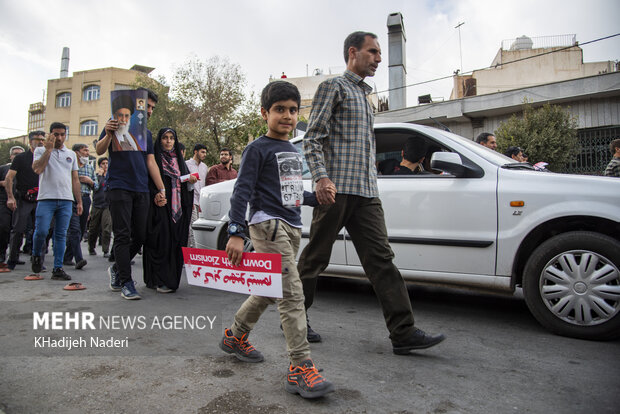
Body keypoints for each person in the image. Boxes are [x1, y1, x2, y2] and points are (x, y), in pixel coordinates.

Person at [297, 31, 446, 353]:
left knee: (382, 261)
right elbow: (312, 138)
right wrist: (321, 179)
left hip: (366, 193)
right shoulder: (333, 87)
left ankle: (403, 333)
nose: (379, 58)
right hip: (336, 190)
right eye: (373, 52)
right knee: (314, 260)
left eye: (379, 53)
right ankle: (295, 321)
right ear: (353, 52)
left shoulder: (366, 98)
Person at [219, 81, 334, 399]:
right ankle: (300, 366)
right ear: (264, 113)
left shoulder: (292, 151)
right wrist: (236, 232)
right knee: (292, 294)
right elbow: (241, 191)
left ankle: (235, 336)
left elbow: (292, 193)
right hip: (267, 226)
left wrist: (317, 198)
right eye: (280, 109)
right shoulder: (257, 149)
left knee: (270, 291)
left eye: (293, 110)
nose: (287, 115)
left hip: (292, 227)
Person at [96, 87, 167, 300]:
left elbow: (151, 162)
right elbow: (99, 150)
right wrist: (108, 134)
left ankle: (118, 269)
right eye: (148, 106)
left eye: (153, 108)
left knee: (141, 234)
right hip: (119, 187)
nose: (151, 110)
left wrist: (161, 189)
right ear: (138, 104)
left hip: (141, 188)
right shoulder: (113, 125)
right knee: (123, 234)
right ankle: (127, 282)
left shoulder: (145, 133)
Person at [143, 128, 193, 293]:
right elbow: (147, 182)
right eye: (165, 138)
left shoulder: (179, 160)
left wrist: (190, 181)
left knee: (175, 242)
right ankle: (157, 279)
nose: (169, 141)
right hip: (160, 207)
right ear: (160, 140)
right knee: (160, 241)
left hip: (178, 209)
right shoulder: (154, 160)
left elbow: (185, 184)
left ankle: (170, 280)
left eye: (172, 138)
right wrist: (155, 196)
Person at [30, 123, 82, 280]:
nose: (59, 138)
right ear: (50, 135)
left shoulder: (71, 154)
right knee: (41, 231)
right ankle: (36, 255)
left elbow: (75, 179)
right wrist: (48, 149)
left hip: (66, 200)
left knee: (60, 235)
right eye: (55, 134)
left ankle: (58, 268)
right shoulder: (40, 150)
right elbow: (37, 169)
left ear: (66, 135)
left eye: (62, 134)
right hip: (46, 198)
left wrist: (78, 201)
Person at [5, 132, 45, 270]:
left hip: (42, 199)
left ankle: (39, 261)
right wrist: (10, 197)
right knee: (18, 230)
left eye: (42, 139)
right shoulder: (21, 158)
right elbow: (9, 178)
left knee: (41, 230)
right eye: (37, 139)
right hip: (23, 198)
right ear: (30, 142)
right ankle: (12, 259)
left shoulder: (47, 157)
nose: (40, 142)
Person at [64, 143, 98, 268]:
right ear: (76, 152)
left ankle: (67, 257)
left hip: (85, 199)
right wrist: (77, 178)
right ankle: (79, 259)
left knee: (81, 229)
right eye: (85, 150)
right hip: (70, 199)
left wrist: (90, 182)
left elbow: (97, 185)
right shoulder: (68, 166)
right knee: (75, 230)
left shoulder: (90, 168)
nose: (87, 153)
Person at [0, 146, 24, 268]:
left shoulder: (26, 169)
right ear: (11, 156)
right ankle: (2, 254)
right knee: (4, 227)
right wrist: (3, 183)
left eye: (20, 154)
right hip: (4, 201)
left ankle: (14, 256)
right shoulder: (3, 168)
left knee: (18, 231)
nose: (17, 156)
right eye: (15, 154)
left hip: (21, 202)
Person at [87, 157, 112, 257]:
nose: (105, 165)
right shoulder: (97, 177)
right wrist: (100, 176)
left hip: (107, 205)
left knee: (107, 228)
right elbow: (95, 188)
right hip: (97, 205)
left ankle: (106, 250)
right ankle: (91, 247)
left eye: (106, 163)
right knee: (93, 229)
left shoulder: (110, 176)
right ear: (99, 165)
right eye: (103, 163)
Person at [185, 143, 208, 247]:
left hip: (201, 201)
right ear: (195, 152)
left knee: (199, 227)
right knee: (192, 227)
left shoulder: (205, 167)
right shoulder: (186, 164)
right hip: (191, 200)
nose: (205, 155)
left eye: (205, 152)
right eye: (202, 152)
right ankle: (192, 253)